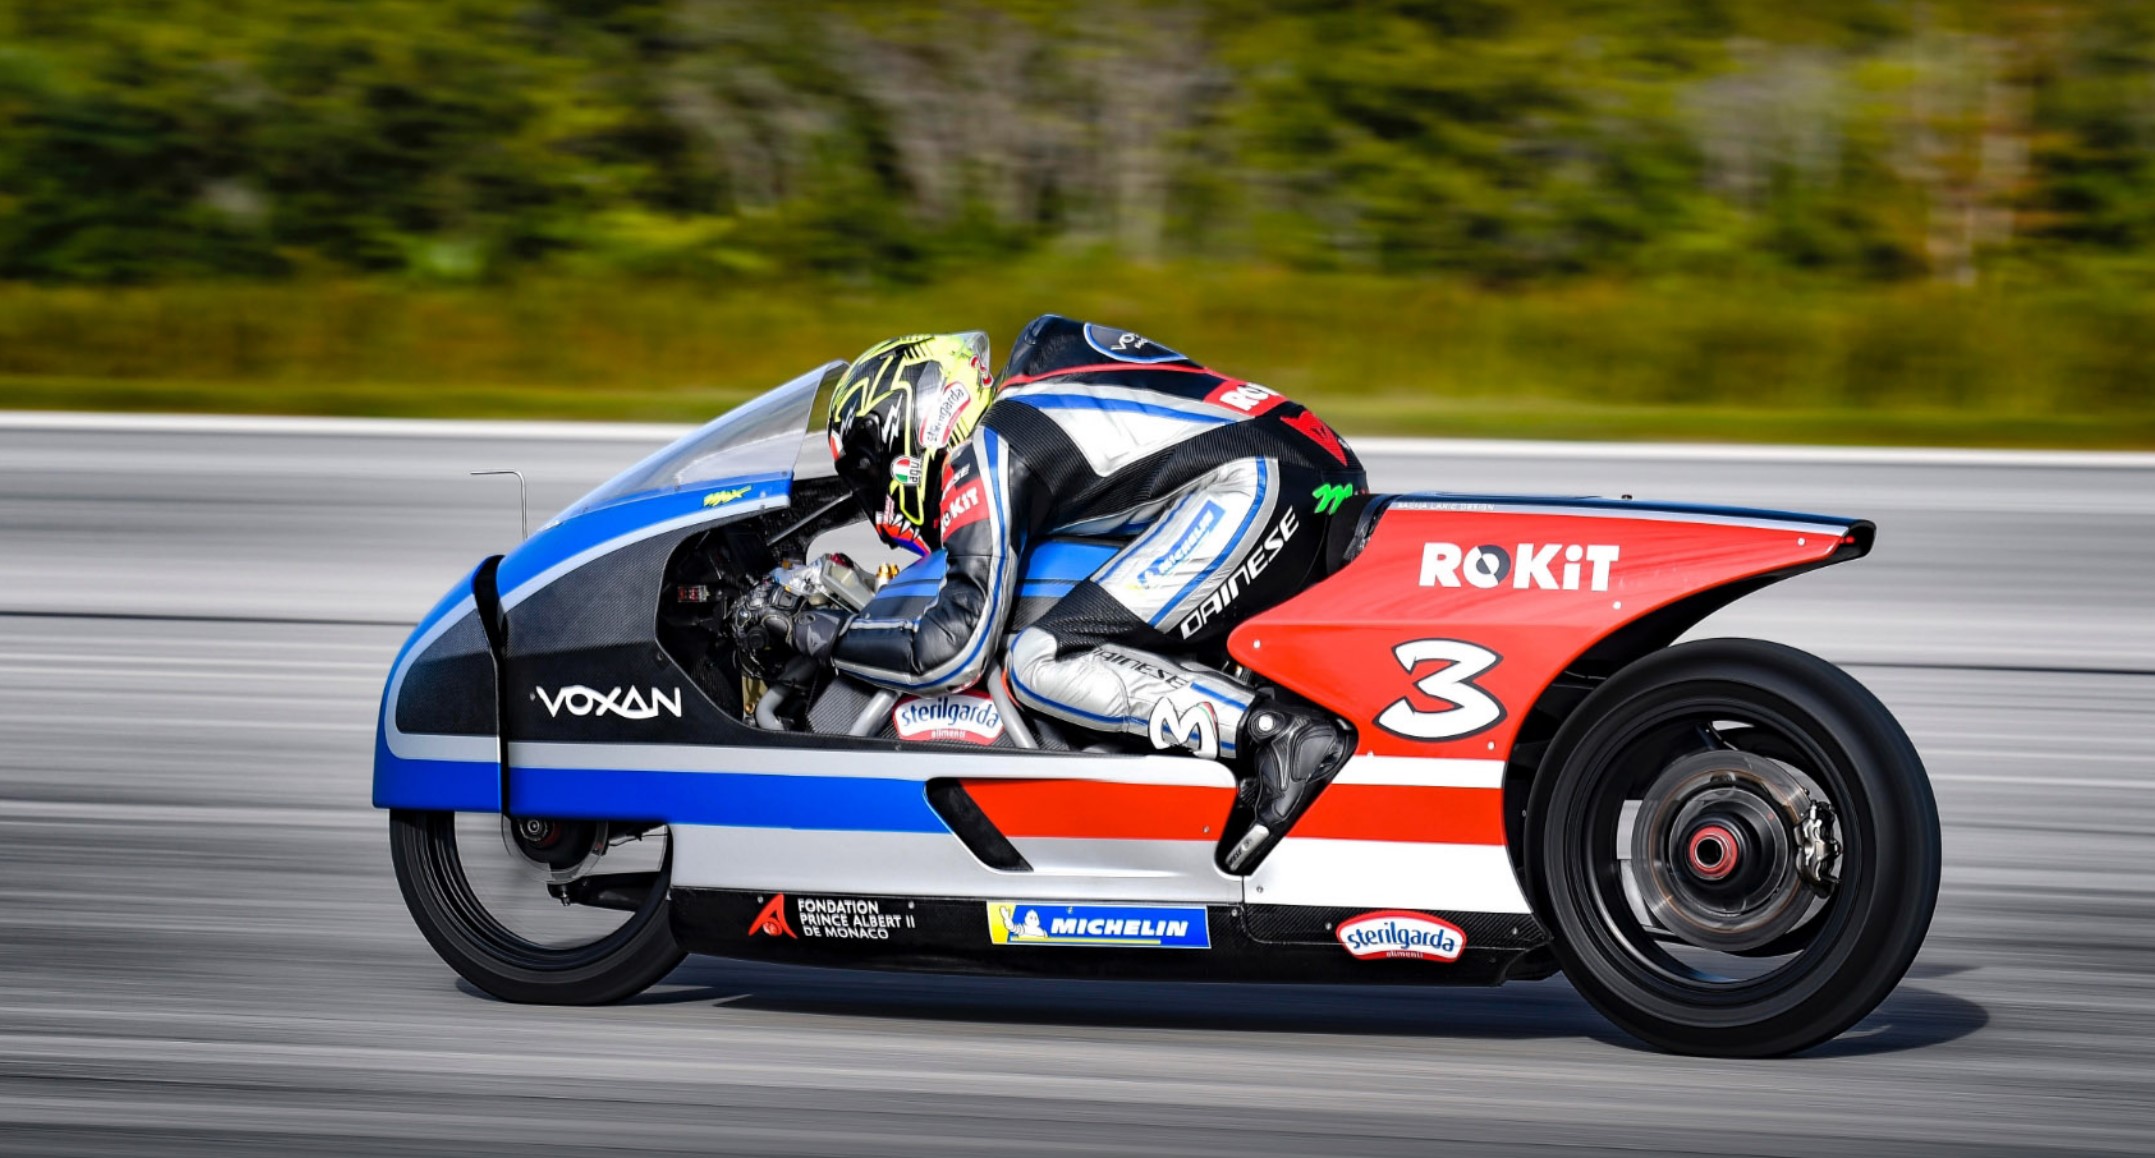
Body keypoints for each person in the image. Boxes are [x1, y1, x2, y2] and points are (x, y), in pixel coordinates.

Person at [798, 315, 1368, 872]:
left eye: (870, 472)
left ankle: (1275, 735)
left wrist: (830, 638)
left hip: (1255, 484)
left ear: (908, 425)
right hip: (1315, 463)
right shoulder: (1044, 376)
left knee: (1039, 659)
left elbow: (955, 649)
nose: (879, 506)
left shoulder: (990, 445)